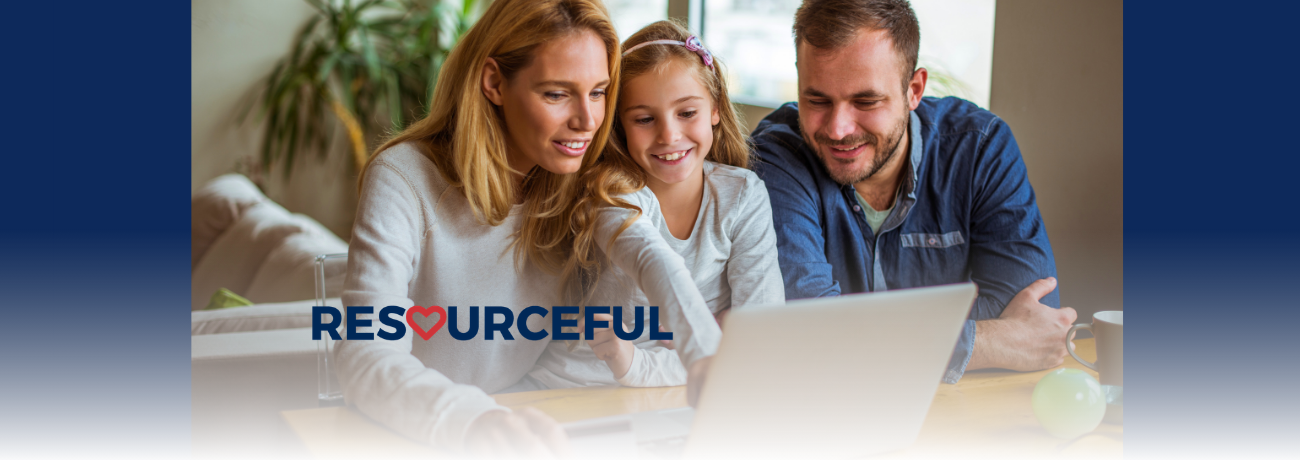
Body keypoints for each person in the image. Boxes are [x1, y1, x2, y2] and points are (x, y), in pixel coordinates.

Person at [333, 1, 721, 457]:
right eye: (557, 94)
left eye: (598, 92)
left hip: (526, 419)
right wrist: (478, 422)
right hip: (410, 431)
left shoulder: (583, 177)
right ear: (494, 83)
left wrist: (705, 354)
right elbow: (364, 351)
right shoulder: (403, 177)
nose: (587, 121)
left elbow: (648, 254)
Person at [750, 0, 1077, 384]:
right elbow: (807, 330)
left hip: (963, 410)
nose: (838, 129)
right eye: (817, 100)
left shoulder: (980, 148)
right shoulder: (776, 157)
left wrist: (854, 337)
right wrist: (985, 341)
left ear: (914, 89)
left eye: (866, 101)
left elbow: (1034, 316)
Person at [527, 20, 785, 389]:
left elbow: (760, 341)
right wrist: (709, 352)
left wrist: (641, 364)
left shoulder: (743, 196)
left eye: (687, 113)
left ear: (714, 109)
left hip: (683, 391)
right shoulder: (608, 194)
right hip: (576, 387)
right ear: (619, 126)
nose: (669, 135)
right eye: (645, 119)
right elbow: (654, 261)